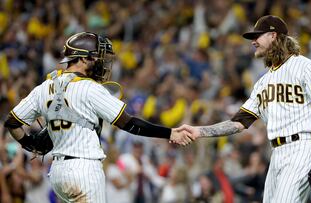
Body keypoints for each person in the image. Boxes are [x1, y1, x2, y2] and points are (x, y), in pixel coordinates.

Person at [4, 32, 193, 203]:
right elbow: (130, 124)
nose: (102, 62)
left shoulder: (45, 87)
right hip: (84, 170)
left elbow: (12, 123)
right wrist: (169, 133)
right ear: (83, 59)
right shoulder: (90, 88)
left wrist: (31, 144)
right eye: (97, 57)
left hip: (58, 173)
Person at [177, 15, 311, 202]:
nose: (253, 42)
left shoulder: (307, 67)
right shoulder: (262, 83)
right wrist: (199, 131)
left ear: (273, 35)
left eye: (257, 36)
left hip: (301, 148)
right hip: (277, 154)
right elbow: (238, 123)